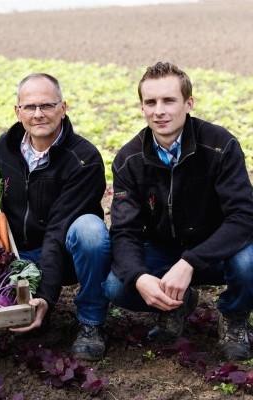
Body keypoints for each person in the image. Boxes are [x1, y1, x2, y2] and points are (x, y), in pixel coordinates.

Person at [104, 61, 253, 360]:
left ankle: (234, 316)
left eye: (169, 100)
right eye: (151, 102)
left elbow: (244, 216)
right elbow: (124, 231)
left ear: (188, 103)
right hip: (162, 251)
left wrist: (190, 262)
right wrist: (138, 277)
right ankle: (177, 304)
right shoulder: (128, 159)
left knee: (249, 262)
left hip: (215, 250)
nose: (159, 110)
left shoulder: (220, 146)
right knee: (115, 286)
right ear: (142, 107)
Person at [0, 73, 111, 360]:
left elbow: (58, 230)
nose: (38, 114)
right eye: (30, 107)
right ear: (17, 111)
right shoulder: (6, 147)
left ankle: (90, 322)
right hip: (21, 254)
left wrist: (46, 295)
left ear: (63, 107)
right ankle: (33, 308)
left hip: (68, 255)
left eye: (47, 105)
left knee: (90, 231)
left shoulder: (83, 159)